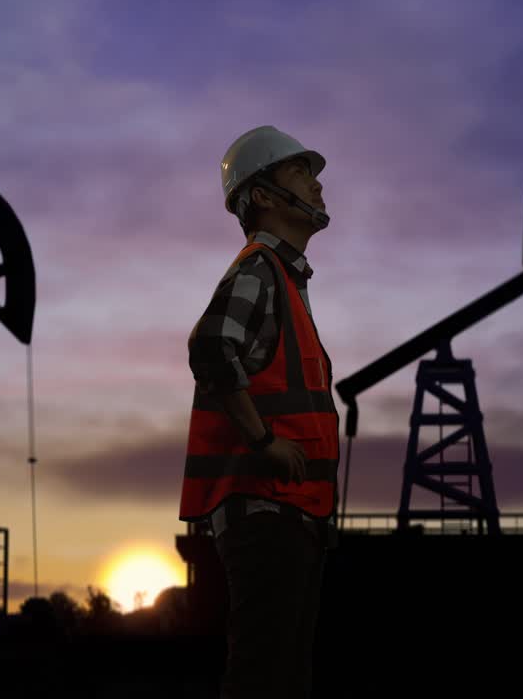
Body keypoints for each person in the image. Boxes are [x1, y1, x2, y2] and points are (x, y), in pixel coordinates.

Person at [179, 125, 340, 698]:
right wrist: (262, 441)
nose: (318, 184)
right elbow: (209, 348)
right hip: (265, 511)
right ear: (265, 196)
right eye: (301, 171)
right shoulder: (258, 271)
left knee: (283, 675)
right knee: (263, 676)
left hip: (291, 514)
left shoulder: (284, 282)